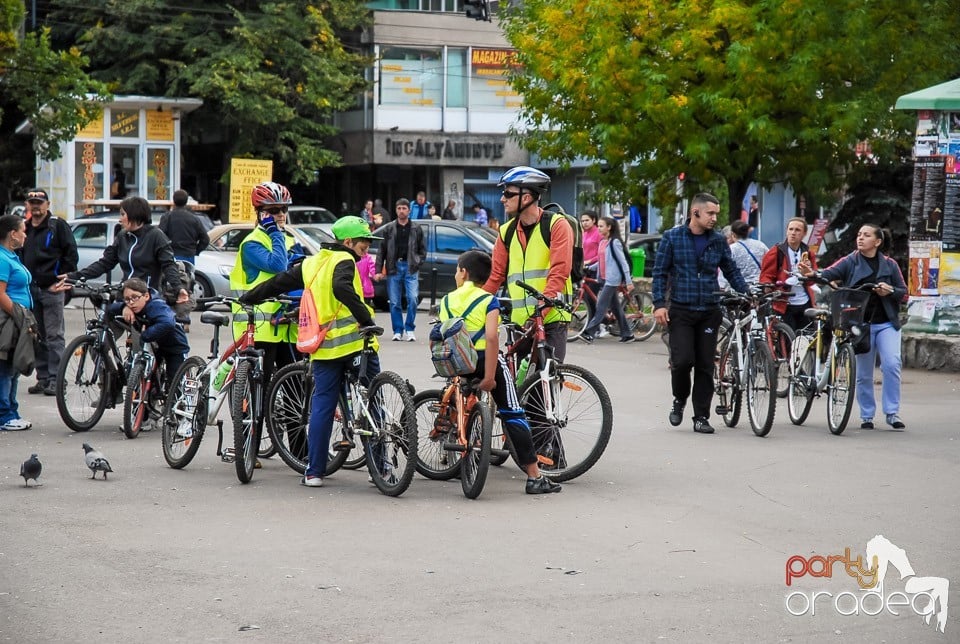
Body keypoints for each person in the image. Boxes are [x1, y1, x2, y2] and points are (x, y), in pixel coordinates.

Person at [240, 216, 381, 487]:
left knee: (322, 406)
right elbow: (341, 287)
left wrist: (249, 297)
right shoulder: (345, 260)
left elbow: (279, 282)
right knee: (373, 401)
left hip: (326, 348)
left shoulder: (311, 263)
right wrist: (367, 320)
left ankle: (314, 472)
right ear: (348, 242)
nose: (368, 247)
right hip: (356, 344)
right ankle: (381, 468)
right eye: (364, 242)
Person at [439, 250, 560, 494]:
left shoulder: (446, 301)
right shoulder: (487, 300)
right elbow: (492, 337)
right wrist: (490, 377)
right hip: (484, 360)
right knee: (513, 412)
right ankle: (535, 477)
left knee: (460, 389)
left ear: (464, 272)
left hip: (457, 361)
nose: (455, 274)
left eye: (456, 270)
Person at [652, 193, 748, 434]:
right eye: (710, 213)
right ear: (695, 212)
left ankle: (701, 416)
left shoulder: (717, 240)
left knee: (705, 365)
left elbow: (731, 270)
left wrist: (747, 292)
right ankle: (679, 398)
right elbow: (660, 273)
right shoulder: (672, 237)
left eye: (716, 213)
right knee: (682, 361)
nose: (715, 218)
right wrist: (658, 304)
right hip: (681, 310)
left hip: (709, 309)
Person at [800, 224, 907, 430]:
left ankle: (892, 413)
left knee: (892, 365)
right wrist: (811, 273)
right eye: (859, 234)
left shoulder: (890, 264)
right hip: (859, 325)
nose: (860, 238)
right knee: (863, 373)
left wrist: (890, 290)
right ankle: (867, 415)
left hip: (886, 323)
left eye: (866, 235)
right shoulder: (851, 260)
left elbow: (904, 293)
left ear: (877, 242)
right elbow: (828, 274)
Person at [482, 166, 573, 362]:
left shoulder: (557, 225)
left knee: (546, 379)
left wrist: (540, 310)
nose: (502, 199)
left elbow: (559, 272)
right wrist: (475, 304)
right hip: (520, 323)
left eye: (507, 193)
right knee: (519, 386)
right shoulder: (506, 231)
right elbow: (495, 276)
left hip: (551, 319)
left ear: (526, 197)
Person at [229, 181, 300, 385]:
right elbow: (278, 266)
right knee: (261, 385)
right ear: (261, 213)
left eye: (284, 209)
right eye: (274, 210)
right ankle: (253, 417)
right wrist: (275, 233)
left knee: (295, 386)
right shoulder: (252, 243)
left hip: (287, 326)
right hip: (259, 326)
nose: (281, 214)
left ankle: (288, 419)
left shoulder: (290, 240)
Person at [60, 196, 188, 305]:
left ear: (134, 214)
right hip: (125, 294)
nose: (120, 219)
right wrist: (73, 276)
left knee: (140, 332)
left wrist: (178, 289)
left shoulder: (156, 236)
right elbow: (104, 263)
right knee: (105, 321)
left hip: (147, 297)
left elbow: (168, 265)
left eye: (123, 214)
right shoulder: (122, 236)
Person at [20, 188, 77, 397]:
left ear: (48, 204)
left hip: (52, 289)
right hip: (31, 290)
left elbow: (71, 254)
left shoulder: (57, 226)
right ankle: (43, 378)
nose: (36, 206)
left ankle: (56, 379)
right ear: (27, 204)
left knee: (54, 336)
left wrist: (63, 279)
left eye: (39, 202)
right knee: (36, 336)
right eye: (32, 202)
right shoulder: (24, 228)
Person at [116, 278, 189, 384]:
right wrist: (123, 307)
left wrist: (146, 335)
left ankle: (177, 397)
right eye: (127, 299)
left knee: (175, 384)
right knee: (145, 373)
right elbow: (111, 308)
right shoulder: (133, 306)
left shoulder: (156, 305)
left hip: (174, 346)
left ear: (146, 296)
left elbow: (167, 323)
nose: (131, 303)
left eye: (135, 297)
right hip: (155, 346)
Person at [374, 198, 426, 342]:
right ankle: (397, 330)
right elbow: (381, 250)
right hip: (394, 267)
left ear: (409, 210)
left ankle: (410, 328)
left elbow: (423, 250)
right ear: (396, 210)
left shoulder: (416, 228)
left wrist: (418, 262)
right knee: (395, 301)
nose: (401, 211)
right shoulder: (389, 228)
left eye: (404, 208)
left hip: (410, 267)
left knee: (413, 299)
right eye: (399, 208)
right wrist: (378, 270)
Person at [0, 215, 34, 431]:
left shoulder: (11, 256)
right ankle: (5, 415)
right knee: (5, 366)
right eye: (22, 230)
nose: (25, 235)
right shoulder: (2, 258)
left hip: (18, 318)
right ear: (12, 234)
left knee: (14, 366)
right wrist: (18, 316)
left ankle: (12, 410)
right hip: (9, 320)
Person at [580, 216, 636, 343]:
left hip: (612, 280)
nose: (599, 229)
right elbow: (602, 262)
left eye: (601, 226)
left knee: (600, 306)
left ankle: (589, 333)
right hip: (604, 278)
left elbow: (623, 263)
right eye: (598, 226)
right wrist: (588, 267)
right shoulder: (602, 242)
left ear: (609, 227)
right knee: (616, 307)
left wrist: (628, 281)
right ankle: (628, 334)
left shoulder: (614, 242)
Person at [759, 217, 819, 332]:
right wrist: (776, 285)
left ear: (804, 234)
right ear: (786, 231)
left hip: (805, 302)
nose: (793, 233)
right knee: (787, 341)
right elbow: (766, 276)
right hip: (784, 304)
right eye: (791, 229)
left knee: (805, 339)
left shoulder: (808, 252)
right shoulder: (776, 251)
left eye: (797, 230)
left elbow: (812, 277)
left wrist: (810, 276)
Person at [158, 190, 210, 265]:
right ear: (186, 202)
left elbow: (160, 237)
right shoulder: (194, 219)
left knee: (171, 276)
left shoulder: (167, 217)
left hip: (170, 255)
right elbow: (205, 239)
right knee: (187, 276)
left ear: (174, 201)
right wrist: (196, 251)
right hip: (189, 256)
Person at [718, 220, 768, 288]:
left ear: (733, 234)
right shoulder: (761, 245)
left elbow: (724, 273)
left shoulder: (731, 249)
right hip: (759, 287)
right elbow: (770, 263)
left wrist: (721, 286)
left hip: (739, 290)